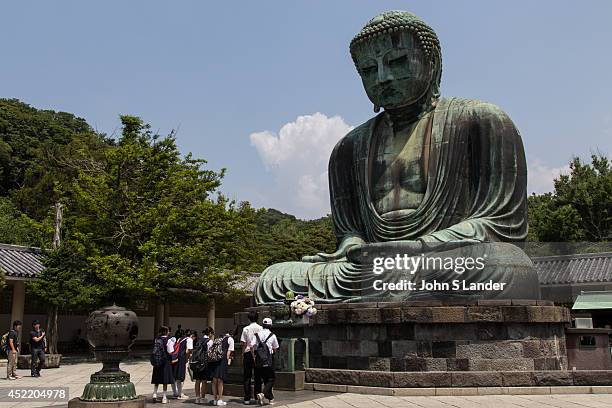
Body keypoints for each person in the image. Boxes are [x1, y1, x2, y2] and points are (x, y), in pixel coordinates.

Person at [252, 318, 279, 406]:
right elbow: (275, 348)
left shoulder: (257, 334)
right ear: (270, 325)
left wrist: (255, 356)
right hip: (268, 360)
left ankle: (267, 399)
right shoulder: (272, 335)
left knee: (260, 379)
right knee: (271, 379)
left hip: (258, 360)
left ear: (262, 325)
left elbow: (252, 346)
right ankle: (263, 394)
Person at [208, 328, 234, 406]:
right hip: (222, 361)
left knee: (214, 380)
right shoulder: (230, 339)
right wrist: (228, 361)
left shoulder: (218, 338)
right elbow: (229, 353)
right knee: (220, 380)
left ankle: (215, 399)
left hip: (214, 361)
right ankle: (220, 399)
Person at [241, 311, 262, 404]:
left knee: (247, 376)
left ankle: (247, 398)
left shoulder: (246, 328)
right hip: (258, 353)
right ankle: (257, 396)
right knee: (258, 376)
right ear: (257, 318)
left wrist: (242, 353)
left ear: (249, 318)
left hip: (248, 352)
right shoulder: (261, 328)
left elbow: (243, 342)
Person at [151, 326, 175, 404]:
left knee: (157, 378)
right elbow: (170, 351)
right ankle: (164, 397)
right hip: (165, 361)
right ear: (166, 332)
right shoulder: (169, 340)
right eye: (168, 331)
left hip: (157, 361)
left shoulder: (157, 339)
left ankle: (155, 393)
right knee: (165, 380)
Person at [193, 327, 212, 404]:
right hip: (204, 363)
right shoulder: (209, 341)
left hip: (197, 362)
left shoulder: (199, 340)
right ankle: (203, 398)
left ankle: (197, 398)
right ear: (210, 333)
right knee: (204, 381)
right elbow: (209, 353)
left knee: (197, 381)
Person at [172, 329, 190, 400]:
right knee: (180, 377)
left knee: (174, 376)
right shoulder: (186, 339)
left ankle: (175, 393)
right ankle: (180, 394)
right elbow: (187, 351)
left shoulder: (175, 340)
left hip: (174, 359)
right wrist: (187, 358)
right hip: (181, 359)